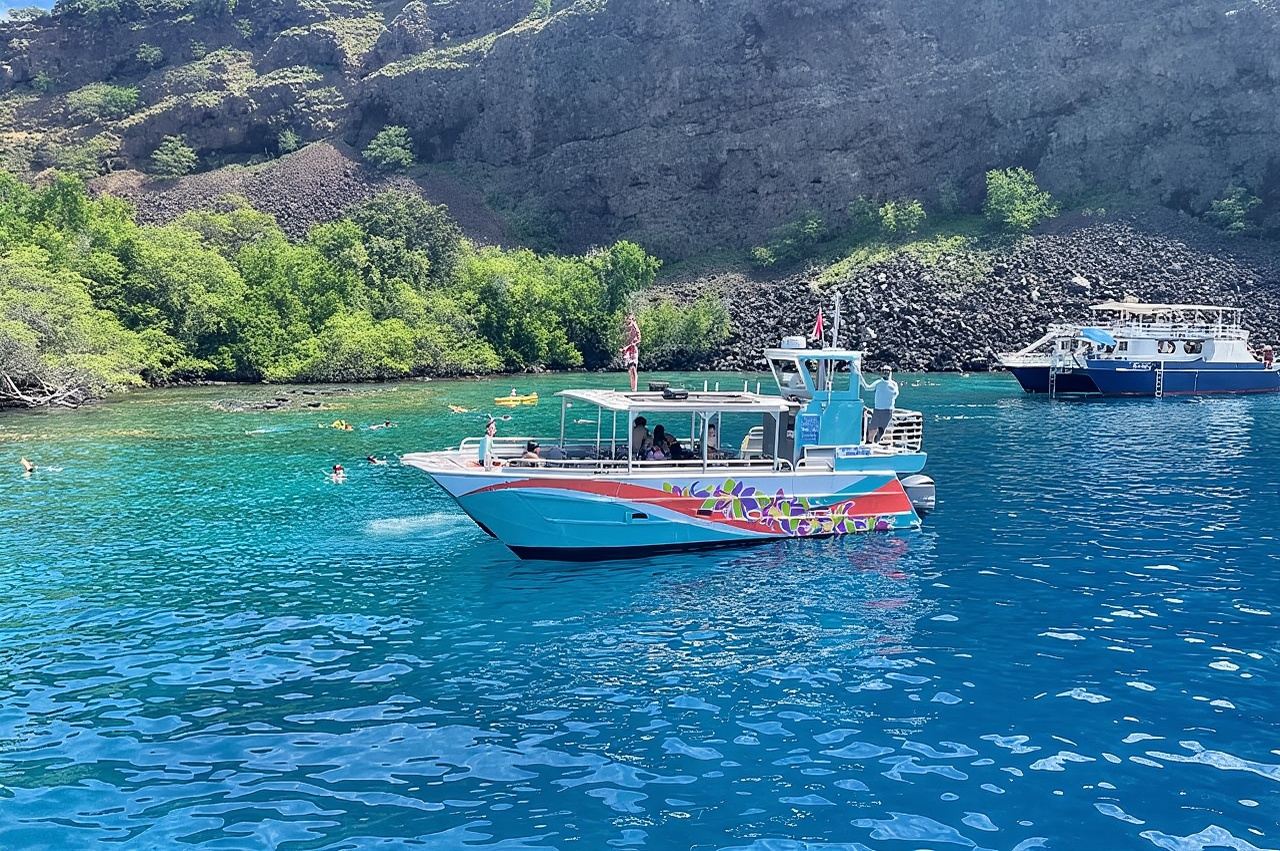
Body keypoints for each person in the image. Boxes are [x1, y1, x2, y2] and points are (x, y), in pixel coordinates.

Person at [860, 366, 899, 443]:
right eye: (884, 371)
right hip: (878, 410)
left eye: (888, 371)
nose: (886, 373)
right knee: (872, 427)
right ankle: (869, 443)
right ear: (882, 372)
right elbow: (867, 387)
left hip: (888, 410)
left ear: (891, 372)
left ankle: (877, 442)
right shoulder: (878, 383)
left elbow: (895, 395)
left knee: (881, 430)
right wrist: (860, 377)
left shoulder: (894, 384)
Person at [620, 312, 641, 393]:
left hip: (633, 350)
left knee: (633, 368)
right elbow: (624, 341)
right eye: (628, 318)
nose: (628, 320)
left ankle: (634, 389)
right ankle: (633, 389)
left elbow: (639, 339)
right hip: (628, 352)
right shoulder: (626, 328)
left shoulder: (635, 327)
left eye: (630, 319)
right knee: (630, 369)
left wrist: (631, 345)